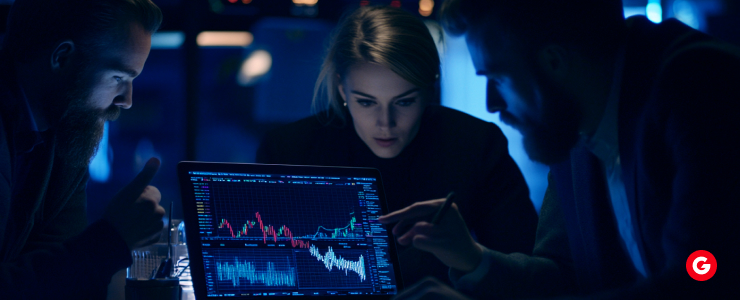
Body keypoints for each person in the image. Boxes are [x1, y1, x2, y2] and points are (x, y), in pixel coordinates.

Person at [380, 0, 740, 299]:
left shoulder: (699, 85)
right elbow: (565, 276)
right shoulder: (571, 123)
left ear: (554, 62)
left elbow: (700, 280)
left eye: (497, 78)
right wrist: (472, 258)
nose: (491, 103)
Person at [256, 5, 538, 286]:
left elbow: (527, 272)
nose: (385, 123)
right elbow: (262, 273)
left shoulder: (475, 145)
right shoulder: (288, 151)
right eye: (366, 102)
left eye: (405, 101)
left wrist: (471, 257)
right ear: (342, 88)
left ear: (430, 88)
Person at [0, 0, 166, 298]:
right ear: (62, 57)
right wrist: (112, 239)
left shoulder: (67, 130)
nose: (126, 100)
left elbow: (60, 285)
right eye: (118, 77)